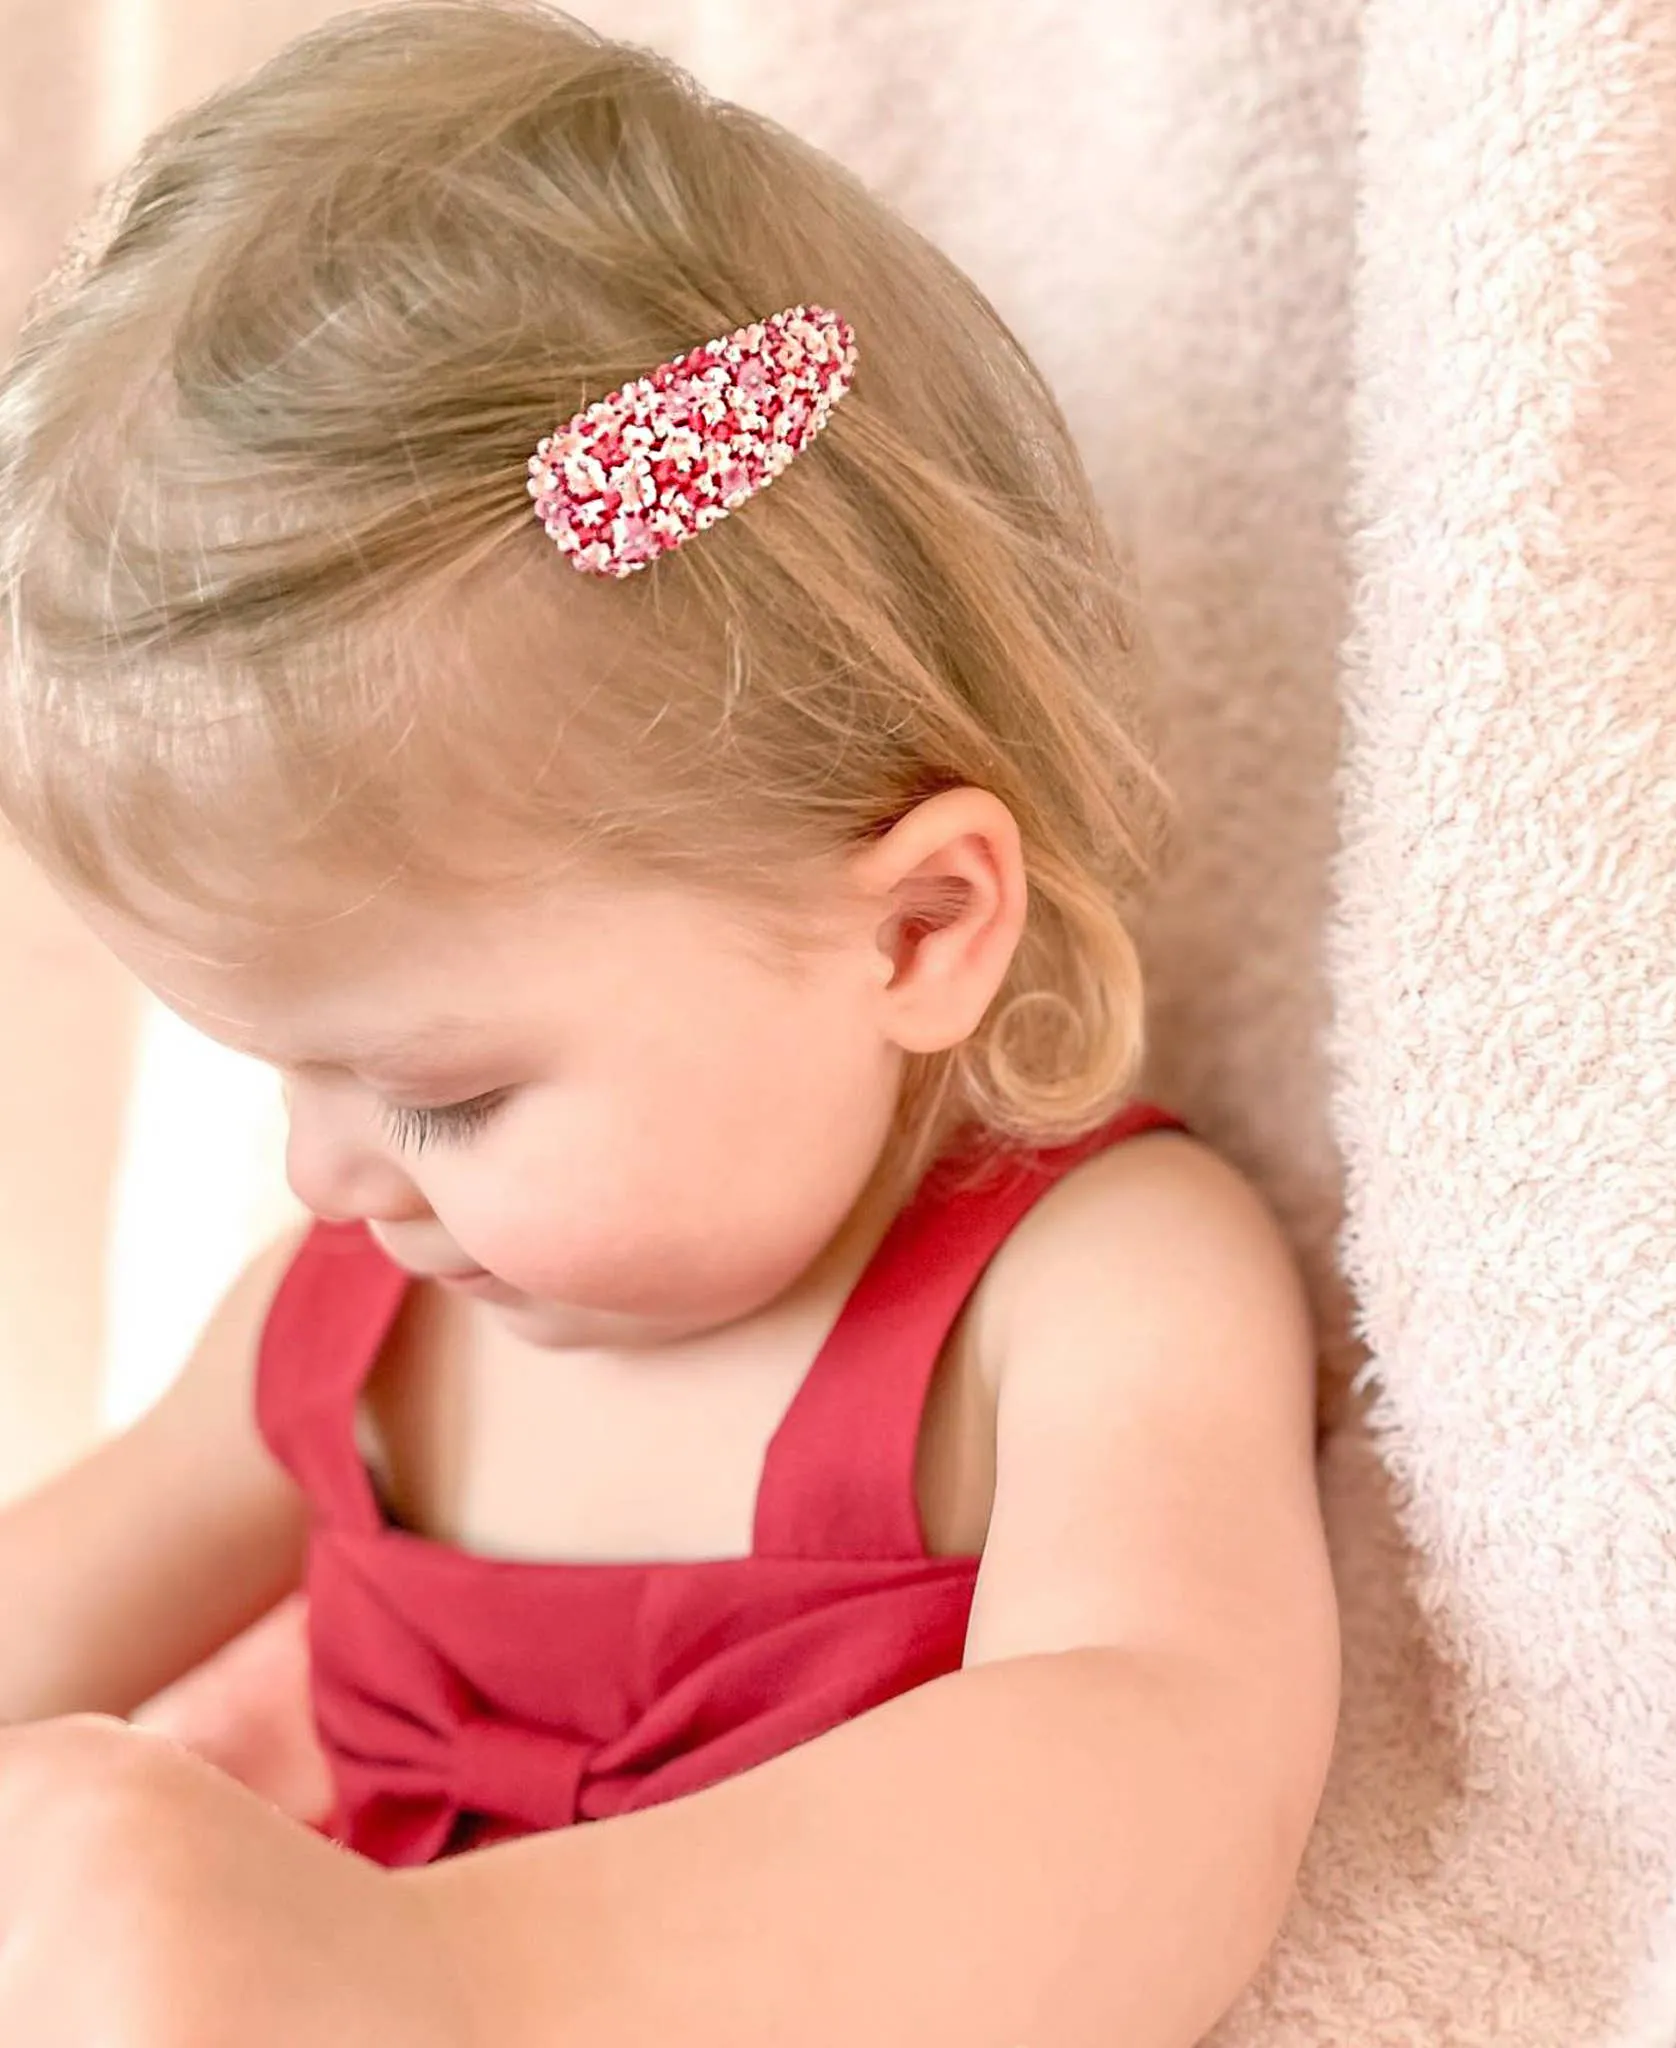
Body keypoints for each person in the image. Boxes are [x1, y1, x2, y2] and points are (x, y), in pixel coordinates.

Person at [0, 3, 1339, 2042]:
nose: (322, 1171)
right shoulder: (346, 1330)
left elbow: (1171, 1761)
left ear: (912, 931)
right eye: (274, 1065)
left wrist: (439, 1973)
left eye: (439, 1090)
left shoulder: (1077, 1296)